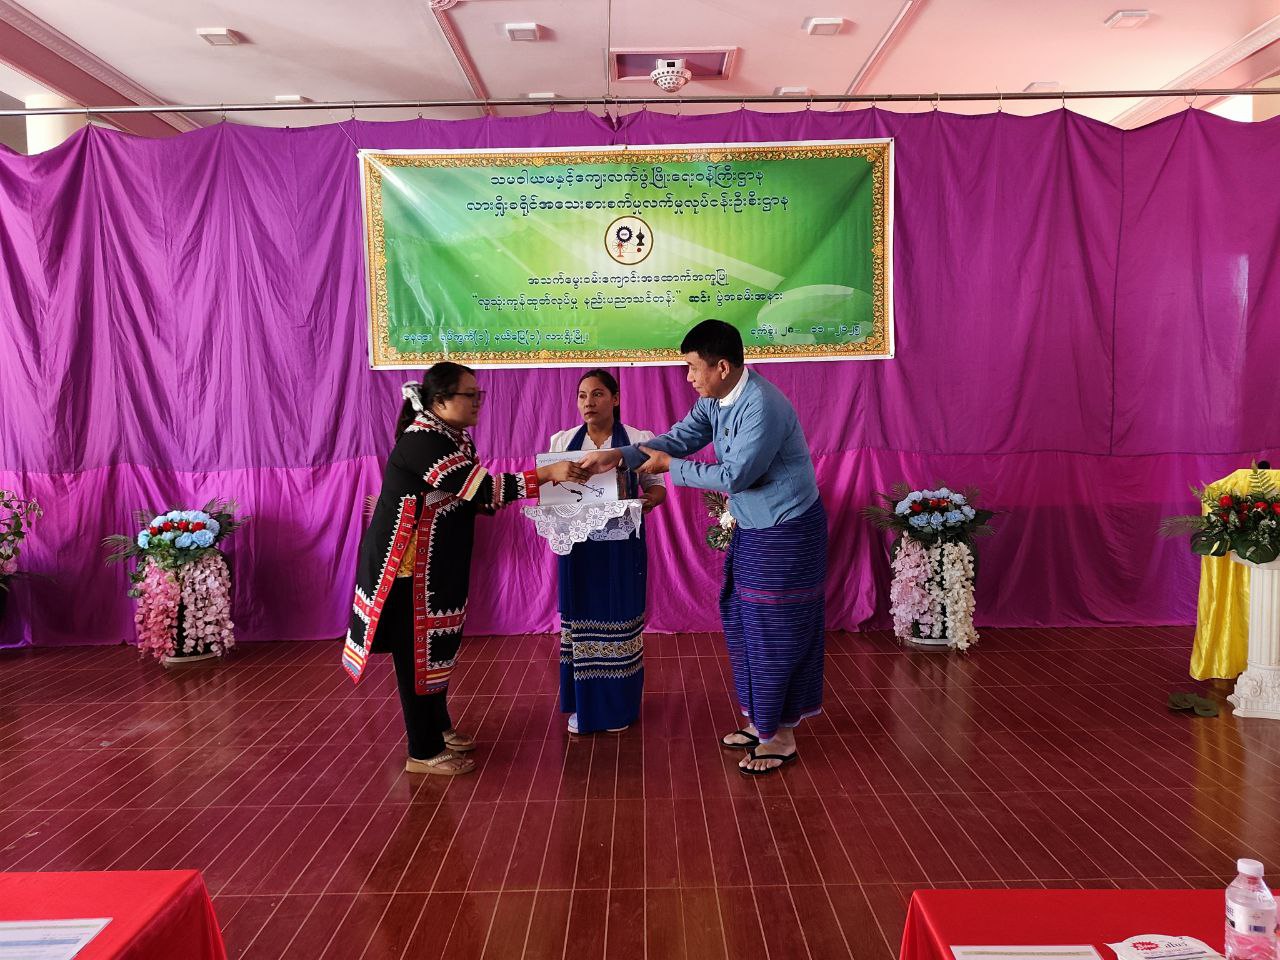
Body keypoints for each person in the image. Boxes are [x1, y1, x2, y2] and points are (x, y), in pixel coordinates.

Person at [578, 320, 827, 775]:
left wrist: (670, 467)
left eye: (694, 368)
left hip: (787, 529)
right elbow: (679, 439)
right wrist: (618, 456)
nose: (689, 377)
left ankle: (780, 737)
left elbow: (736, 476)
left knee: (775, 631)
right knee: (742, 620)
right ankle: (762, 722)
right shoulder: (715, 399)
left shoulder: (762, 405)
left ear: (722, 367)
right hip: (754, 525)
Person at [343, 363, 587, 776]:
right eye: (469, 395)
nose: (477, 402)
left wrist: (487, 500)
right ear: (439, 401)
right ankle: (422, 751)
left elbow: (470, 495)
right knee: (416, 655)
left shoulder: (453, 438)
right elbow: (481, 487)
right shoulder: (422, 440)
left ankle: (438, 728)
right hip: (406, 570)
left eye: (479, 395)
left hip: (436, 565)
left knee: (436, 647)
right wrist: (546, 475)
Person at [548, 369, 666, 735]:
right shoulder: (562, 440)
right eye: (582, 396)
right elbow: (552, 491)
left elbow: (657, 487)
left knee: (620, 617)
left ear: (615, 399)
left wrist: (647, 502)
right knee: (582, 620)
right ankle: (584, 705)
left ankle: (618, 708)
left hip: (622, 546)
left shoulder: (638, 439)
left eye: (598, 394)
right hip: (577, 549)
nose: (589, 402)